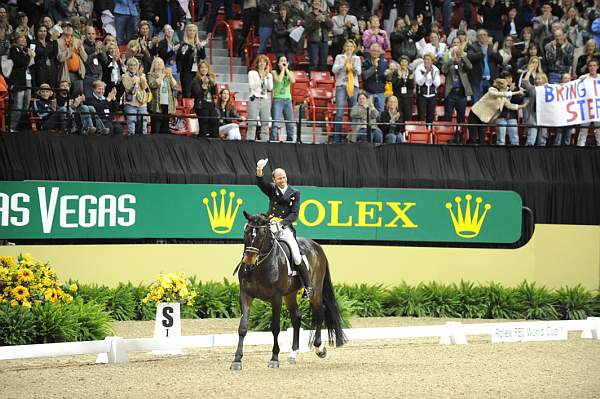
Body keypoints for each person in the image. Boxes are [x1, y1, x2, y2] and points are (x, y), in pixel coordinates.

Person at [255, 159, 312, 299]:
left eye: (284, 177)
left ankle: (308, 286)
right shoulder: (272, 189)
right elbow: (260, 184)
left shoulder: (295, 193)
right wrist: (259, 169)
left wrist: (283, 224)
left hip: (284, 227)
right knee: (256, 242)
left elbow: (294, 214)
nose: (283, 179)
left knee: (297, 255)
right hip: (270, 224)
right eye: (280, 178)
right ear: (274, 179)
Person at [467, 78, 526, 145]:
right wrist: (517, 92)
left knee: (482, 140)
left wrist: (523, 106)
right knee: (473, 138)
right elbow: (501, 94)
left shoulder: (503, 98)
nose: (507, 88)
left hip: (484, 119)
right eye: (505, 87)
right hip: (475, 114)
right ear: (500, 87)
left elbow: (509, 105)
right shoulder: (492, 90)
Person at [332, 39, 361, 143]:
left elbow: (359, 71)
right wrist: (344, 64)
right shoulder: (339, 57)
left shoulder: (356, 58)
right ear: (344, 47)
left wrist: (351, 66)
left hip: (353, 86)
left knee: (352, 113)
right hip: (341, 86)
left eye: (351, 46)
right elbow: (334, 70)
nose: (349, 48)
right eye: (347, 46)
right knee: (339, 112)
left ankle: (352, 138)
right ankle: (336, 138)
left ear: (354, 48)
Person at [441, 45, 472, 143]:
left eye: (457, 51)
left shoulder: (463, 62)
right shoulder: (449, 63)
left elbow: (470, 67)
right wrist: (451, 60)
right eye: (454, 51)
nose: (456, 53)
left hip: (461, 93)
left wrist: (462, 56)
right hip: (451, 93)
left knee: (461, 117)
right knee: (448, 116)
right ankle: (448, 136)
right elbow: (443, 70)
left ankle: (459, 136)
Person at [147, 57, 177, 134]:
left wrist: (170, 76)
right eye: (157, 62)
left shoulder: (167, 76)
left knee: (165, 129)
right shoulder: (150, 75)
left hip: (167, 104)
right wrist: (162, 76)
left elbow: (175, 86)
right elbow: (153, 84)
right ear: (153, 65)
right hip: (156, 104)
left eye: (161, 62)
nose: (159, 64)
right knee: (156, 128)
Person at [177, 23, 207, 98]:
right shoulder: (183, 45)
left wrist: (202, 47)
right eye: (190, 30)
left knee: (197, 92)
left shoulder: (197, 44)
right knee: (187, 93)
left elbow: (203, 57)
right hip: (186, 72)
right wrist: (191, 49)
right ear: (186, 32)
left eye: (194, 31)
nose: (192, 32)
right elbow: (181, 58)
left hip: (196, 72)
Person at [247, 54, 273, 141]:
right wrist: (261, 78)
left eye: (264, 62)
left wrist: (267, 77)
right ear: (257, 63)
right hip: (254, 99)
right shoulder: (252, 73)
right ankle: (249, 142)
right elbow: (252, 86)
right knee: (252, 124)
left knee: (265, 124)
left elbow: (270, 88)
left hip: (264, 100)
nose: (262, 64)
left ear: (267, 64)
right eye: (260, 62)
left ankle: (264, 143)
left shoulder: (269, 75)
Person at [270, 54, 296, 141]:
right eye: (281, 61)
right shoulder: (274, 72)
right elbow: (279, 80)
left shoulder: (290, 72)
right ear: (278, 63)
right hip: (278, 99)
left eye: (285, 61)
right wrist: (282, 70)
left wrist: (286, 69)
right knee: (275, 122)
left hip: (288, 100)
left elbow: (293, 80)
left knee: (290, 123)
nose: (283, 62)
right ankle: (273, 140)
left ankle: (290, 140)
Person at [121, 57, 149, 135]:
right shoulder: (124, 76)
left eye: (135, 65)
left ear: (137, 66)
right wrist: (137, 78)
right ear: (128, 66)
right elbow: (128, 87)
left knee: (143, 125)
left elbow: (144, 87)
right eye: (130, 65)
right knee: (131, 125)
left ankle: (143, 141)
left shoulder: (142, 75)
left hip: (142, 103)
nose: (133, 67)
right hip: (130, 104)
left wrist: (141, 77)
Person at [522, 66, 549, 146]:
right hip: (533, 117)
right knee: (531, 140)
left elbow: (560, 86)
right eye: (536, 79)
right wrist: (529, 71)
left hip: (544, 117)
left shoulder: (549, 89)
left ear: (544, 80)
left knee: (542, 141)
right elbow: (525, 82)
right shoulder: (533, 89)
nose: (537, 80)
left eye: (540, 79)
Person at [191, 60, 218, 137]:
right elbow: (196, 94)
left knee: (215, 122)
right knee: (204, 127)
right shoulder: (195, 80)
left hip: (210, 105)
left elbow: (215, 93)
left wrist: (214, 82)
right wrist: (203, 86)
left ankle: (214, 141)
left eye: (206, 67)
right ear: (199, 69)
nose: (204, 69)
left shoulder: (210, 79)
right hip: (201, 106)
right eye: (202, 67)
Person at [577, 59, 600, 147]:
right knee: (583, 130)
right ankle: (580, 149)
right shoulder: (583, 77)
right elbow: (575, 88)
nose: (592, 67)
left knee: (599, 131)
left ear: (597, 67)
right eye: (590, 66)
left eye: (594, 65)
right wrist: (579, 81)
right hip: (586, 108)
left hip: (598, 108)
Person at [414, 52, 441, 128]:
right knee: (421, 116)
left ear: (432, 61)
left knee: (430, 116)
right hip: (422, 96)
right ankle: (422, 131)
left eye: (428, 59)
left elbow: (437, 84)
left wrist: (432, 75)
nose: (426, 61)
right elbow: (419, 82)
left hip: (432, 96)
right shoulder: (419, 68)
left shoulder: (435, 69)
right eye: (425, 59)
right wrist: (426, 73)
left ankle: (429, 132)